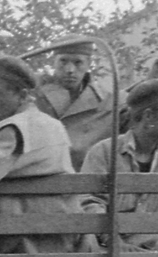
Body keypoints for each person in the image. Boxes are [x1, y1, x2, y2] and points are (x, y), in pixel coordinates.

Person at [0, 56, 84, 254]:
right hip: (55, 236)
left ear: (22, 95)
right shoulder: (53, 125)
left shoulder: (16, 127)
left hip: (23, 243)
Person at [80, 77, 158, 252]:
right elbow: (90, 203)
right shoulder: (104, 152)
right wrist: (115, 243)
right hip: (108, 256)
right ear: (148, 116)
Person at [38, 35, 117, 171]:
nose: (70, 69)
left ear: (88, 63)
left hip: (85, 183)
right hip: (40, 180)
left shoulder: (109, 102)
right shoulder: (35, 96)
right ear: (53, 62)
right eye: (63, 61)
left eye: (78, 62)